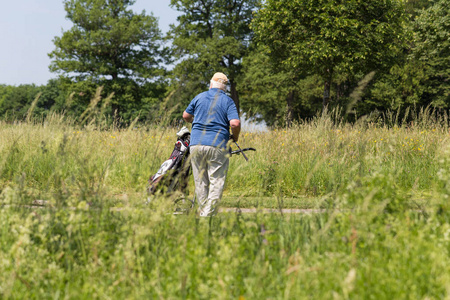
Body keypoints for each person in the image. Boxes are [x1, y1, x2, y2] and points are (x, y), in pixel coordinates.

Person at [182, 72, 241, 217]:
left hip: (196, 144)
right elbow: (235, 123)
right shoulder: (227, 101)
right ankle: (207, 215)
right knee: (216, 181)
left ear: (211, 84)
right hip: (217, 145)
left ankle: (203, 212)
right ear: (224, 88)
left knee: (200, 181)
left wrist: (193, 121)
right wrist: (235, 137)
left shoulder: (199, 97)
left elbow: (186, 116)